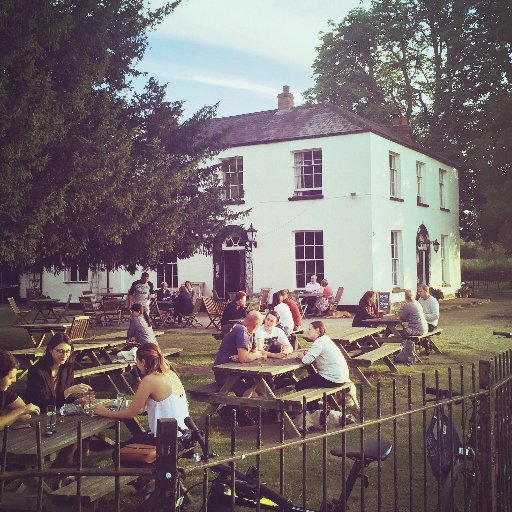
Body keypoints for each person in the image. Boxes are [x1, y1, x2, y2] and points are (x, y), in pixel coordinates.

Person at [94, 344, 189, 445]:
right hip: (185, 436)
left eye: (137, 362)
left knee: (117, 453)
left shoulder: (149, 380)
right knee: (131, 443)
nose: (137, 366)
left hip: (167, 441)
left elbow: (129, 414)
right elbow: (148, 406)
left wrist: (103, 412)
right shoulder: (170, 374)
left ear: (143, 362)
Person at [26, 333, 92, 468]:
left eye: (68, 351)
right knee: (73, 439)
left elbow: (65, 397)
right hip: (38, 418)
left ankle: (74, 472)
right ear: (50, 350)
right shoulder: (37, 371)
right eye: (60, 351)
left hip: (57, 415)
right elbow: (43, 403)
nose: (64, 355)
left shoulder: (67, 367)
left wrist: (78, 401)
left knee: (86, 433)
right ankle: (58, 476)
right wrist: (69, 391)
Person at [295, 321, 353, 394]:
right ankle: (316, 403)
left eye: (310, 329)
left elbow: (306, 361)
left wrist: (301, 355)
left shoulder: (319, 342)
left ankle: (311, 405)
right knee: (312, 379)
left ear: (317, 330)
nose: (308, 332)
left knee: (299, 385)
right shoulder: (325, 339)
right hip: (342, 377)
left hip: (333, 379)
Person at [0, 350, 39, 429]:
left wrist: (9, 417)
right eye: (11, 377)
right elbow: (22, 410)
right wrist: (18, 412)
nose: (14, 380)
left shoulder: (5, 390)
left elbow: (26, 414)